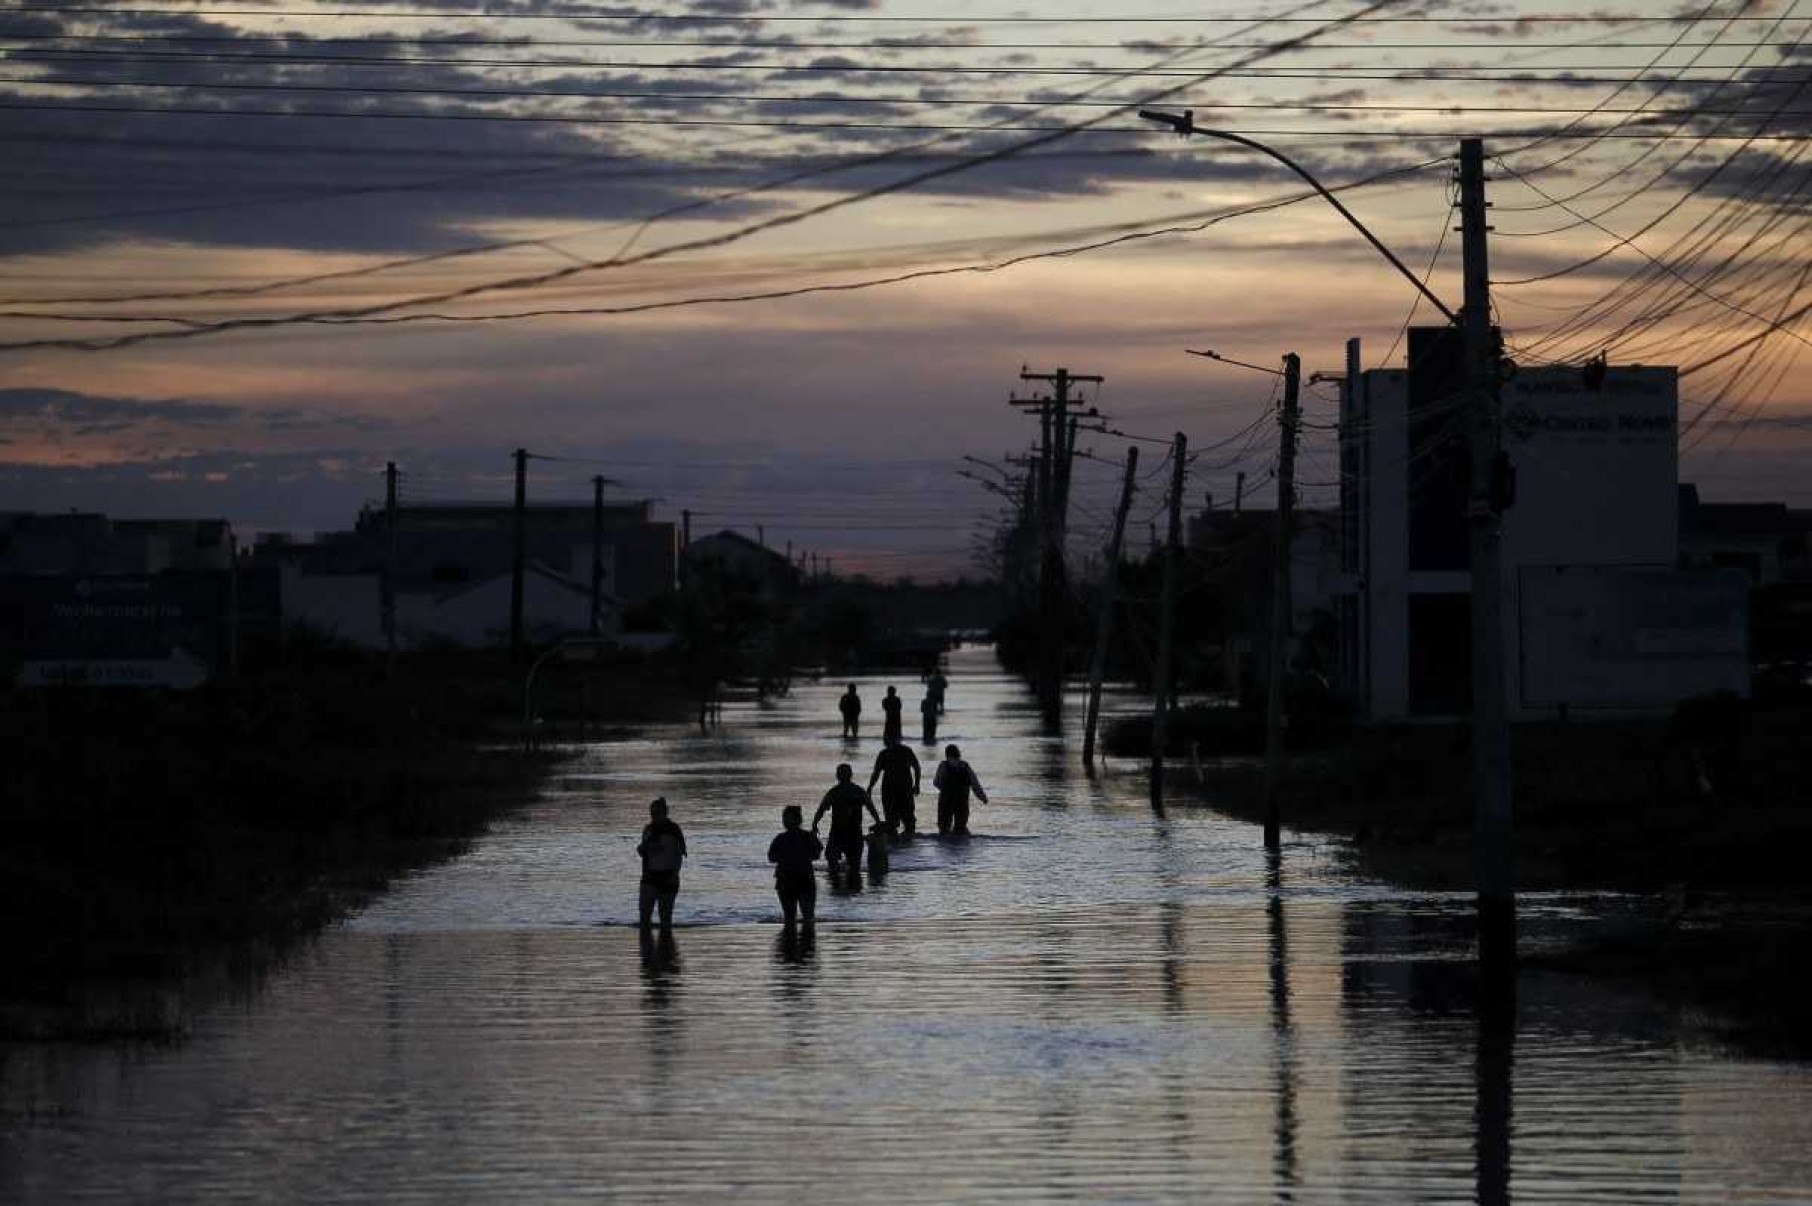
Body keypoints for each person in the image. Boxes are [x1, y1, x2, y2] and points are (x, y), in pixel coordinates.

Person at [813, 762, 881, 883]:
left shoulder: (839, 792)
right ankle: (843, 880)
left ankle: (839, 879)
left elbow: (822, 808)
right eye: (841, 773)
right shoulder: (852, 791)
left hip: (847, 833)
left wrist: (815, 824)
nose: (842, 775)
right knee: (845, 864)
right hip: (844, 832)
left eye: (843, 773)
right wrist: (878, 822)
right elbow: (871, 807)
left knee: (844, 863)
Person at [635, 796, 687, 931]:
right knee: (644, 919)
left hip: (668, 877)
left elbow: (679, 855)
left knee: (665, 920)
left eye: (657, 813)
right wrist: (642, 848)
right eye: (652, 813)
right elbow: (643, 853)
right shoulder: (648, 829)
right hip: (649, 877)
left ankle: (667, 949)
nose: (654, 817)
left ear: (665, 813)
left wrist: (674, 874)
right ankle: (646, 949)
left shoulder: (674, 830)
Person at [767, 805, 823, 929]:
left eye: (787, 818)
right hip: (790, 880)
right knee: (798, 918)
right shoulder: (783, 838)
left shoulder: (785, 838)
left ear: (798, 819)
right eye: (784, 818)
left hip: (800, 880)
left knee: (800, 918)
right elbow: (771, 857)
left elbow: (816, 854)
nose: (785, 821)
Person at [866, 733, 921, 836]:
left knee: (893, 821)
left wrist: (870, 787)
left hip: (890, 790)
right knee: (908, 821)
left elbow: (876, 773)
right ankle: (908, 843)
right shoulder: (906, 751)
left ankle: (895, 843)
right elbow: (917, 767)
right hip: (904, 789)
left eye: (886, 740)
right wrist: (917, 784)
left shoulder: (884, 753)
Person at [933, 744, 988, 836]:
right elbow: (975, 784)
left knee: (943, 829)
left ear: (947, 754)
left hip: (946, 801)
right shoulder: (965, 766)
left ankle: (945, 846)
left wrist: (944, 790)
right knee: (960, 828)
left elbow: (936, 782)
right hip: (962, 801)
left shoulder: (943, 765)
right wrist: (983, 797)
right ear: (958, 754)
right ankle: (960, 847)